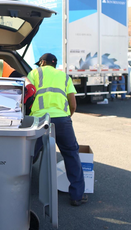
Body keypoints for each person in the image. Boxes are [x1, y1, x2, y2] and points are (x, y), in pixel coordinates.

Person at [28, 53, 87, 207]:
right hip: (62, 121)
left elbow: (27, 96)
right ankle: (77, 195)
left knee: (28, 156)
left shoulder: (34, 73)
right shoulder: (64, 77)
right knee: (71, 154)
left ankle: (19, 190)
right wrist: (65, 117)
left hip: (39, 120)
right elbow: (73, 104)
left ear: (41, 63)